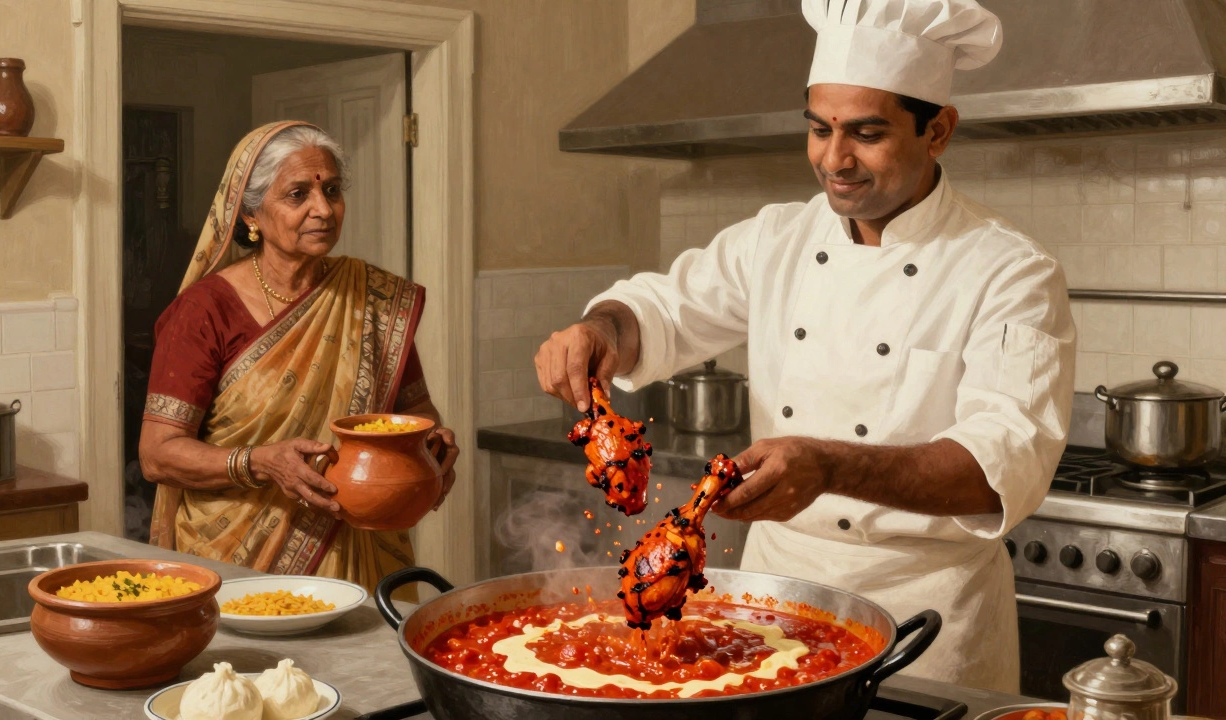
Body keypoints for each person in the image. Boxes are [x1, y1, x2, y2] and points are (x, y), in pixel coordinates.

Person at [535, 0, 1073, 692]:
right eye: (819, 130)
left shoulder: (1009, 270)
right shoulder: (777, 239)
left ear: (938, 130)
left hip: (926, 621)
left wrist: (827, 465)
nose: (834, 158)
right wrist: (601, 330)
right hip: (770, 603)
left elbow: (1002, 465)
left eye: (866, 133)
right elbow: (660, 309)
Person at [140, 121, 459, 592]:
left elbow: (415, 411)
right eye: (297, 195)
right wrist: (260, 463)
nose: (323, 209)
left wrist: (430, 445)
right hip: (239, 562)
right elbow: (157, 455)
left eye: (332, 190)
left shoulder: (370, 299)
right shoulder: (204, 310)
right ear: (252, 215)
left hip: (359, 551)